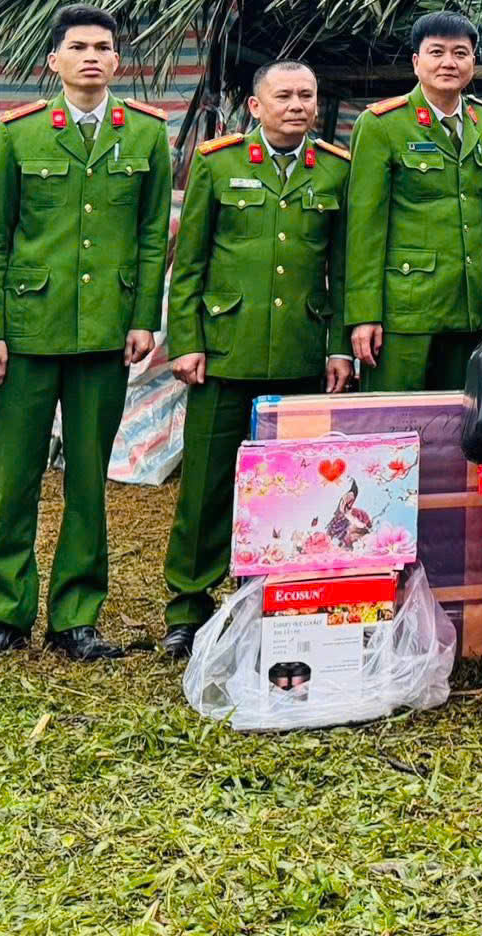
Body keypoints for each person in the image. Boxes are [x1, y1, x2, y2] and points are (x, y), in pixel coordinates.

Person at [0, 4, 173, 673]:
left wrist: (142, 319)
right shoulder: (22, 133)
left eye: (104, 46)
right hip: (29, 331)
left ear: (117, 61)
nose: (93, 57)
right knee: (15, 481)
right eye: (79, 47)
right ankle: (8, 616)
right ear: (55, 62)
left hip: (105, 332)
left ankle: (76, 617)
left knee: (89, 483)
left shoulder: (147, 135)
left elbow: (153, 232)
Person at [159, 60, 352, 660]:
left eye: (307, 95)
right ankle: (188, 608)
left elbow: (342, 269)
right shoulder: (219, 164)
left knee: (290, 488)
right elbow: (188, 264)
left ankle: (268, 594)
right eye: (284, 95)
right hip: (225, 349)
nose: (297, 105)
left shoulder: (337, 171)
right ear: (255, 105)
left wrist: (338, 344)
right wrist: (186, 340)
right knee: (207, 487)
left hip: (301, 349)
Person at [346, 13, 482, 391]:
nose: (449, 62)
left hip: (468, 305)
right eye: (437, 52)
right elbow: (363, 228)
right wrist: (364, 314)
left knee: (458, 426)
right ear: (416, 62)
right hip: (404, 310)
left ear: (473, 63)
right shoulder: (382, 124)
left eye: (460, 53)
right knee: (393, 426)